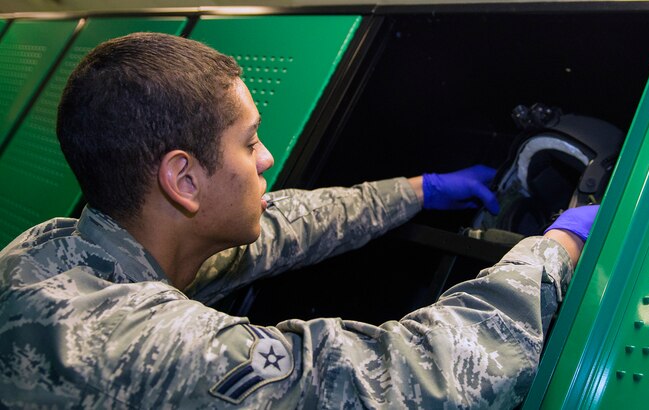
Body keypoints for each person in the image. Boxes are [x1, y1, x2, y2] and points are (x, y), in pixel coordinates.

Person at [0, 32, 599, 408]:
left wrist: (421, 190)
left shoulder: (61, 250)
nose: (267, 158)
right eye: (250, 141)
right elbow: (416, 378)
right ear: (183, 180)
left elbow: (286, 222)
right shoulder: (136, 346)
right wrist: (558, 249)